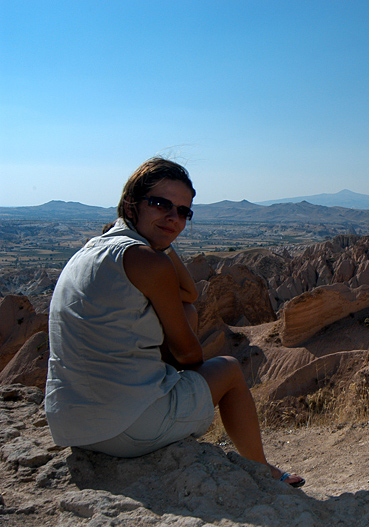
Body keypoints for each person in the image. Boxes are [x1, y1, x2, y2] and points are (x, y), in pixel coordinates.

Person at [45, 157, 304, 488]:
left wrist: (161, 241)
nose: (173, 218)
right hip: (126, 430)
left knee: (188, 312)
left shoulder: (93, 249)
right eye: (160, 204)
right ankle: (262, 470)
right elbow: (188, 355)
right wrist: (162, 249)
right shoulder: (144, 260)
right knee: (228, 369)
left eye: (183, 212)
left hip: (72, 426)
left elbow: (189, 294)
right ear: (131, 205)